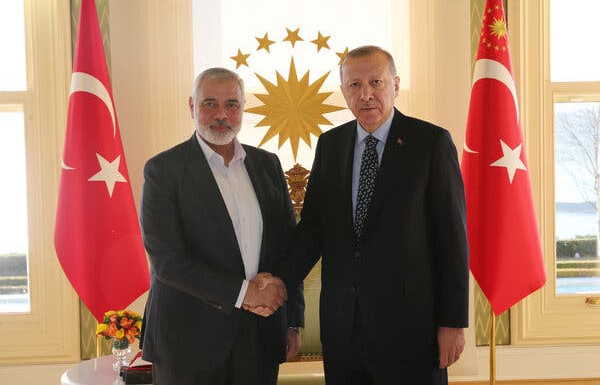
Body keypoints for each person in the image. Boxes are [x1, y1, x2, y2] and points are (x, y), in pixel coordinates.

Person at [277, 46, 469, 384]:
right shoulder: (331, 145)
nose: (366, 95)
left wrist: (452, 323)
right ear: (343, 91)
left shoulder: (431, 143)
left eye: (376, 82)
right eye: (354, 85)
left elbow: (452, 239)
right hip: (343, 334)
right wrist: (277, 282)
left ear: (395, 84)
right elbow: (312, 232)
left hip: (411, 332)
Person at [139, 67, 304, 385]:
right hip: (188, 340)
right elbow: (167, 262)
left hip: (260, 335)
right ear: (191, 106)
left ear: (243, 108)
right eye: (209, 104)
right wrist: (244, 294)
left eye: (231, 104)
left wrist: (292, 321)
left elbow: (288, 248)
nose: (221, 115)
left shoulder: (268, 165)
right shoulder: (164, 170)